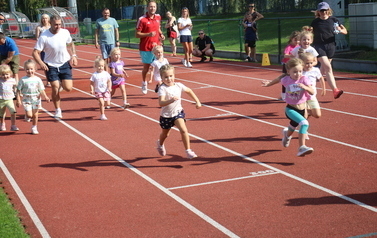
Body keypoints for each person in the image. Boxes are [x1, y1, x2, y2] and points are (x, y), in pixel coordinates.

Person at [32, 15, 78, 119]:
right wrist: (41, 63)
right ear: (50, 24)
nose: (58, 26)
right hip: (51, 65)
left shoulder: (65, 32)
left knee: (68, 88)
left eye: (59, 24)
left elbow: (71, 43)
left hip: (64, 63)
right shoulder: (44, 36)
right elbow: (35, 52)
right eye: (55, 24)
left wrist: (74, 55)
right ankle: (58, 110)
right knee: (55, 87)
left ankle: (61, 83)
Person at [156, 64, 201, 159]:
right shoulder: (162, 88)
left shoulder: (179, 85)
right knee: (165, 134)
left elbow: (189, 91)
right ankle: (160, 144)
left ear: (174, 75)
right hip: (166, 116)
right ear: (162, 78)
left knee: (184, 130)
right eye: (166, 77)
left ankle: (188, 150)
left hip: (177, 113)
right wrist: (171, 100)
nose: (169, 79)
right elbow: (161, 103)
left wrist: (197, 101)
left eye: (171, 76)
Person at [311, 2, 347, 99]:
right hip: (319, 46)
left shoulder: (334, 20)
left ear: (328, 10)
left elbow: (345, 31)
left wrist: (339, 30)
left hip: (331, 46)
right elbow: (310, 32)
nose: (323, 12)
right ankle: (335, 90)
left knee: (323, 70)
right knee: (328, 68)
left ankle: (310, 84)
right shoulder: (315, 22)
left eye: (325, 10)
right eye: (321, 10)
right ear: (318, 11)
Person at [136, 1, 165, 95]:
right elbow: (137, 34)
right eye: (151, 7)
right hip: (146, 48)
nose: (152, 8)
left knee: (161, 67)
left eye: (154, 7)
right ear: (147, 8)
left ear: (156, 8)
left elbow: (158, 28)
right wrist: (148, 34)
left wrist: (161, 34)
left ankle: (160, 84)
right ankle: (144, 83)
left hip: (157, 47)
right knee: (147, 68)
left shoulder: (158, 17)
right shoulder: (142, 19)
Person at [16, 60, 50, 134]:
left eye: (31, 69)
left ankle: (34, 127)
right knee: (29, 115)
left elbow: (41, 90)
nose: (29, 71)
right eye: (27, 69)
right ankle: (27, 115)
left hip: (36, 99)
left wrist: (46, 97)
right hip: (26, 99)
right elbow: (18, 90)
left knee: (35, 114)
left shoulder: (38, 79)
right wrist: (18, 100)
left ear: (35, 69)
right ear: (25, 69)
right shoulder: (23, 80)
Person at [299, 52, 325, 119]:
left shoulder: (315, 70)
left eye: (311, 63)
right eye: (307, 63)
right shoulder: (299, 71)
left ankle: (307, 111)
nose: (309, 65)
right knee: (304, 117)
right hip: (301, 96)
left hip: (312, 96)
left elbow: (321, 78)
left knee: (317, 115)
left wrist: (323, 89)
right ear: (302, 63)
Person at [280, 30, 300, 99]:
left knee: (295, 79)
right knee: (285, 79)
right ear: (291, 39)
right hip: (287, 65)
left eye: (298, 40)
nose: (297, 42)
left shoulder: (299, 47)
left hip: (295, 66)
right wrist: (292, 56)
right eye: (295, 40)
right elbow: (285, 55)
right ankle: (283, 94)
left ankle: (294, 93)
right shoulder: (289, 47)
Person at [0, 64, 18, 131]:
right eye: (3, 74)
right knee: (1, 114)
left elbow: (17, 86)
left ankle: (13, 125)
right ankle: (2, 124)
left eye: (7, 74)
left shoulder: (12, 80)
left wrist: (17, 92)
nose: (5, 76)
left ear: (10, 73)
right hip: (1, 99)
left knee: (13, 112)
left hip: (9, 99)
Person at [35, 13, 51, 87]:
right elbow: (37, 38)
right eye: (43, 18)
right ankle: (48, 80)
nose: (44, 20)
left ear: (48, 19)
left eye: (46, 18)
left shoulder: (51, 27)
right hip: (43, 50)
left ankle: (55, 79)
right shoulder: (39, 28)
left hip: (52, 49)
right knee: (45, 65)